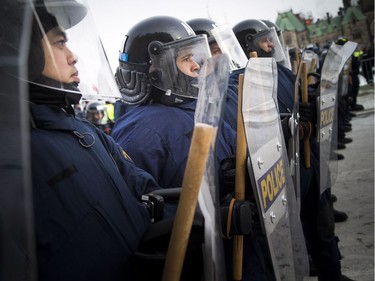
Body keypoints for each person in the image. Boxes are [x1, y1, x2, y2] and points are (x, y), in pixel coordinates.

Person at [18, 1, 175, 280]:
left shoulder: (85, 132)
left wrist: (202, 220)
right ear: (22, 53)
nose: (73, 55)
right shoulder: (14, 154)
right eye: (59, 44)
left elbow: (145, 189)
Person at [111, 16, 273, 280]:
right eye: (186, 58)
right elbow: (141, 212)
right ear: (156, 68)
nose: (197, 66)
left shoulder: (196, 109)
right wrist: (209, 218)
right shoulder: (141, 133)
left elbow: (235, 151)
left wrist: (243, 169)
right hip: (202, 263)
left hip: (239, 249)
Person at [233, 19, 354, 281]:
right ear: (248, 44)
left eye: (271, 38)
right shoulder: (242, 82)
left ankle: (332, 272)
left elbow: (302, 99)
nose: (270, 44)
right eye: (264, 40)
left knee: (321, 220)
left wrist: (310, 108)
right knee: (293, 226)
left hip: (307, 155)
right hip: (284, 167)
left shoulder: (283, 72)